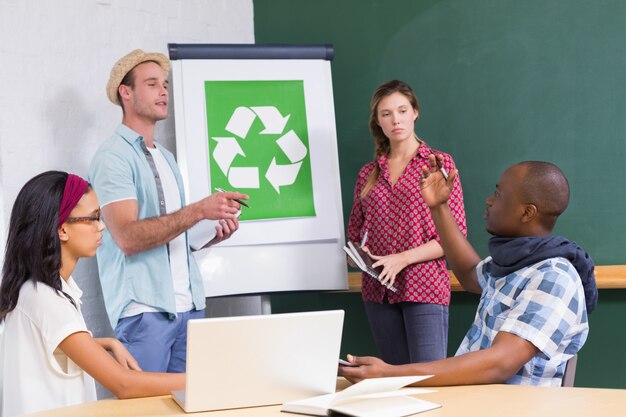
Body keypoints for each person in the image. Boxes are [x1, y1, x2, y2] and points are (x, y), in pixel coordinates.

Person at [340, 158, 597, 386]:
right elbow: (470, 273)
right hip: (474, 401)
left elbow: (500, 363)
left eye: (498, 194)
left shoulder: (553, 277)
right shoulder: (517, 262)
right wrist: (439, 207)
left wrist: (390, 374)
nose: (488, 200)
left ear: (526, 212)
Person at [89, 49, 248, 373]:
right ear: (126, 92)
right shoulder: (112, 157)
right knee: (144, 409)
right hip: (144, 312)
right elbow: (128, 238)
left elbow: (173, 236)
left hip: (190, 308)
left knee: (192, 407)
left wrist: (209, 234)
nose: (164, 91)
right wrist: (198, 210)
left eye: (164, 84)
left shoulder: (166, 157)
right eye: (152, 84)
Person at [0, 171, 186, 417]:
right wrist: (203, 379)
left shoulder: (36, 291)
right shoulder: (45, 299)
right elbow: (125, 384)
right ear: (62, 229)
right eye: (93, 218)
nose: (102, 226)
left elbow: (53, 344)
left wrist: (108, 342)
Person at [346, 80, 467, 365]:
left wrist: (401, 259)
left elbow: (454, 236)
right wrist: (359, 258)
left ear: (415, 112)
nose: (395, 120)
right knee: (393, 383)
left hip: (423, 286)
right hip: (378, 292)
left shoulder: (438, 164)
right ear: (378, 121)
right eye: (386, 114)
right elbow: (354, 235)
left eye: (402, 110)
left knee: (427, 380)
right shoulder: (368, 174)